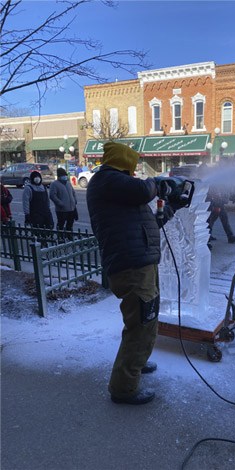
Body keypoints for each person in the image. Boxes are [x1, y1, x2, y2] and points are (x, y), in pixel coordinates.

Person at [87, 141, 178, 405]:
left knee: (146, 319)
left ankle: (137, 362)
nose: (136, 168)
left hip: (142, 263)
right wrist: (158, 181)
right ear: (124, 161)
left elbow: (151, 223)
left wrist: (173, 205)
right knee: (141, 324)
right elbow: (143, 189)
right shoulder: (107, 180)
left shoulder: (122, 190)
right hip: (131, 266)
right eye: (133, 163)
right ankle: (123, 388)